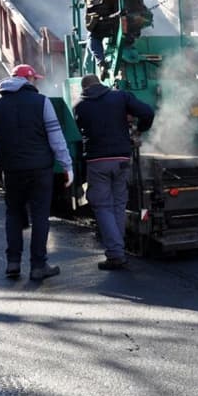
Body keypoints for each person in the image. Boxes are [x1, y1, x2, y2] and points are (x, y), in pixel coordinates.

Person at [0, 64, 74, 282]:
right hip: (40, 170)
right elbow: (56, 138)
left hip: (12, 170)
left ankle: (13, 263)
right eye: (35, 80)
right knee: (40, 216)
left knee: (13, 214)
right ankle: (38, 266)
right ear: (28, 80)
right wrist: (67, 166)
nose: (37, 83)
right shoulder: (42, 102)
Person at [73, 73, 155, 270]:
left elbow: (80, 130)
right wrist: (139, 130)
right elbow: (147, 112)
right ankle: (119, 248)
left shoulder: (79, 106)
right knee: (118, 204)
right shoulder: (120, 97)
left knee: (102, 206)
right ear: (100, 84)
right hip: (122, 159)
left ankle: (116, 254)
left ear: (84, 89)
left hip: (97, 161)